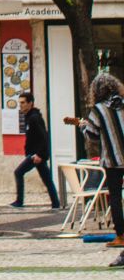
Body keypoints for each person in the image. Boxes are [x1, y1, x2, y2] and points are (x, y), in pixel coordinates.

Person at [65, 71, 124, 252]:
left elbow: (92, 136)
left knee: (115, 197)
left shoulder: (98, 109)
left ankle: (121, 235)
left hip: (113, 160)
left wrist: (82, 126)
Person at [11, 92, 60, 209]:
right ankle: (56, 203)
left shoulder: (34, 118)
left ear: (30, 103)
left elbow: (44, 137)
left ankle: (19, 201)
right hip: (35, 154)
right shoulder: (29, 117)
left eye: (23, 103)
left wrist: (39, 154)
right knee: (47, 179)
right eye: (19, 103)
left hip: (36, 155)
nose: (21, 105)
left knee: (18, 172)